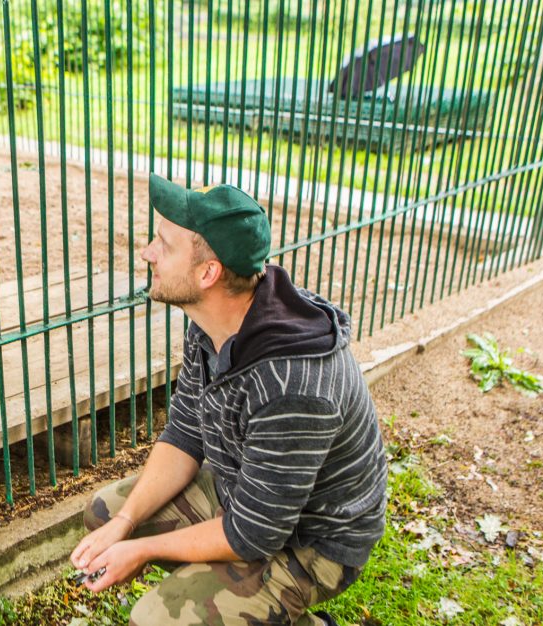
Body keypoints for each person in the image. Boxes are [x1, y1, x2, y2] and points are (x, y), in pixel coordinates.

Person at [70, 174, 388, 626]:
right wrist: (124, 527)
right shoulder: (211, 317)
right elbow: (184, 434)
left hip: (315, 540)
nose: (147, 253)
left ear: (208, 273)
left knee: (158, 618)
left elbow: (251, 534)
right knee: (106, 514)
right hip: (246, 496)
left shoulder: (292, 384)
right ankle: (234, 598)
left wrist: (141, 549)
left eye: (164, 244)